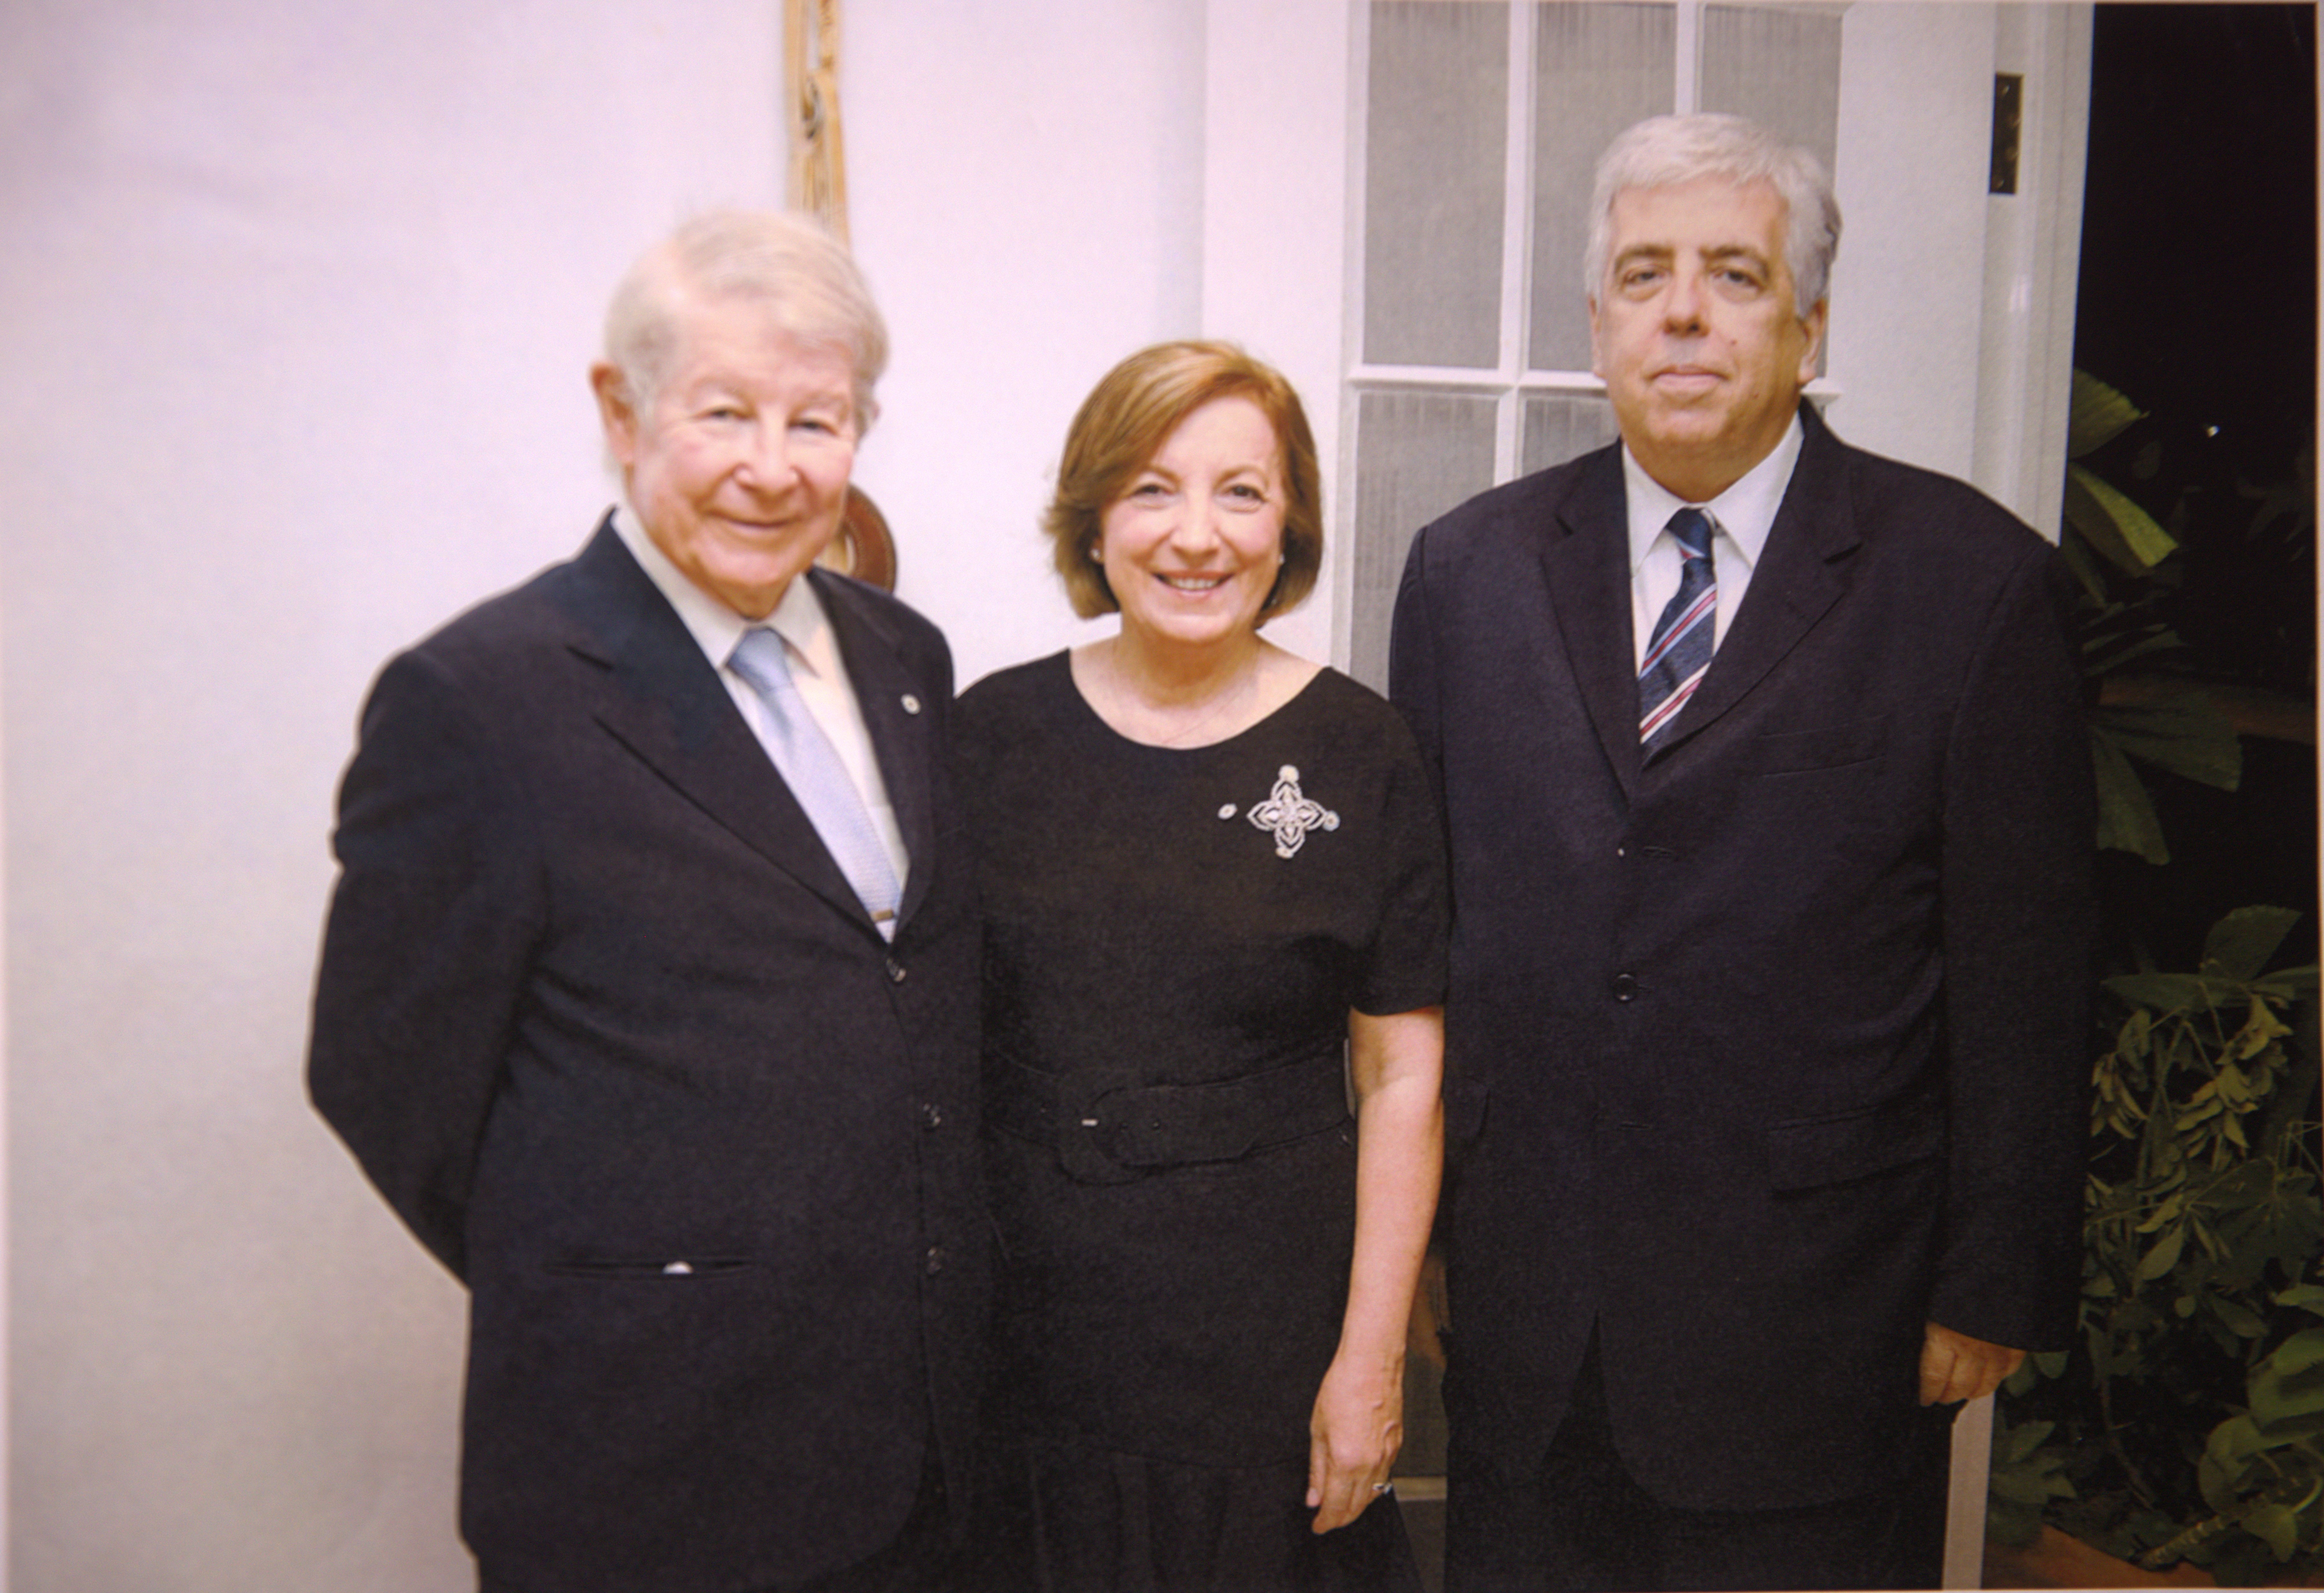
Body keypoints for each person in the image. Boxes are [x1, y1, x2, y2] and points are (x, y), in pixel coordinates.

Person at [1388, 114, 2093, 1591]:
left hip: (1821, 1324)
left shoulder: (1973, 586)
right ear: (1597, 320)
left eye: (1735, 274)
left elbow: (2024, 967)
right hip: (1530, 1316)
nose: (1684, 312)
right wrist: (1422, 1240)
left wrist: (1992, 1275)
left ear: (1807, 321)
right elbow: (1428, 936)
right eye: (1644, 274)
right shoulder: (1465, 572)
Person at [307, 210, 987, 1593]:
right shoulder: (481, 701)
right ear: (621, 413)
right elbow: (385, 1082)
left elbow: (907, 997)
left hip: (919, 1460)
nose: (771, 468)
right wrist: (626, 1276)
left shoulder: (906, 657)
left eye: (816, 421)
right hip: (642, 1468)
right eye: (723, 412)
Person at [954, 341, 1448, 1591]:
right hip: (1028, 1345)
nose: (1196, 535)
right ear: (1095, 520)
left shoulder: (1363, 750)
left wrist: (1371, 1361)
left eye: (1241, 491)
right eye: (1151, 489)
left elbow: (1400, 1076)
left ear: (1289, 524)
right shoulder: (987, 737)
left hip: (1266, 1353)